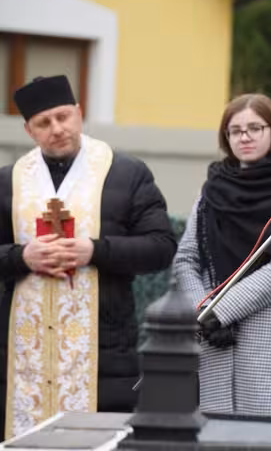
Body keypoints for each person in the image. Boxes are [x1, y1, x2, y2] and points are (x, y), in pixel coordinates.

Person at [0, 75, 177, 438]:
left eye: (63, 116)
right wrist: (22, 257)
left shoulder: (126, 173)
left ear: (79, 113)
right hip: (22, 353)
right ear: (29, 130)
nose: (57, 128)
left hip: (105, 349)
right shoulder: (8, 182)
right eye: (43, 123)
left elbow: (161, 247)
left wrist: (95, 250)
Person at [173, 93, 271, 417]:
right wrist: (203, 312)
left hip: (265, 334)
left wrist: (220, 312)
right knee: (212, 430)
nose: (245, 137)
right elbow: (186, 259)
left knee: (266, 433)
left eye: (255, 128)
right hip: (211, 339)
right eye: (235, 130)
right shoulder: (212, 189)